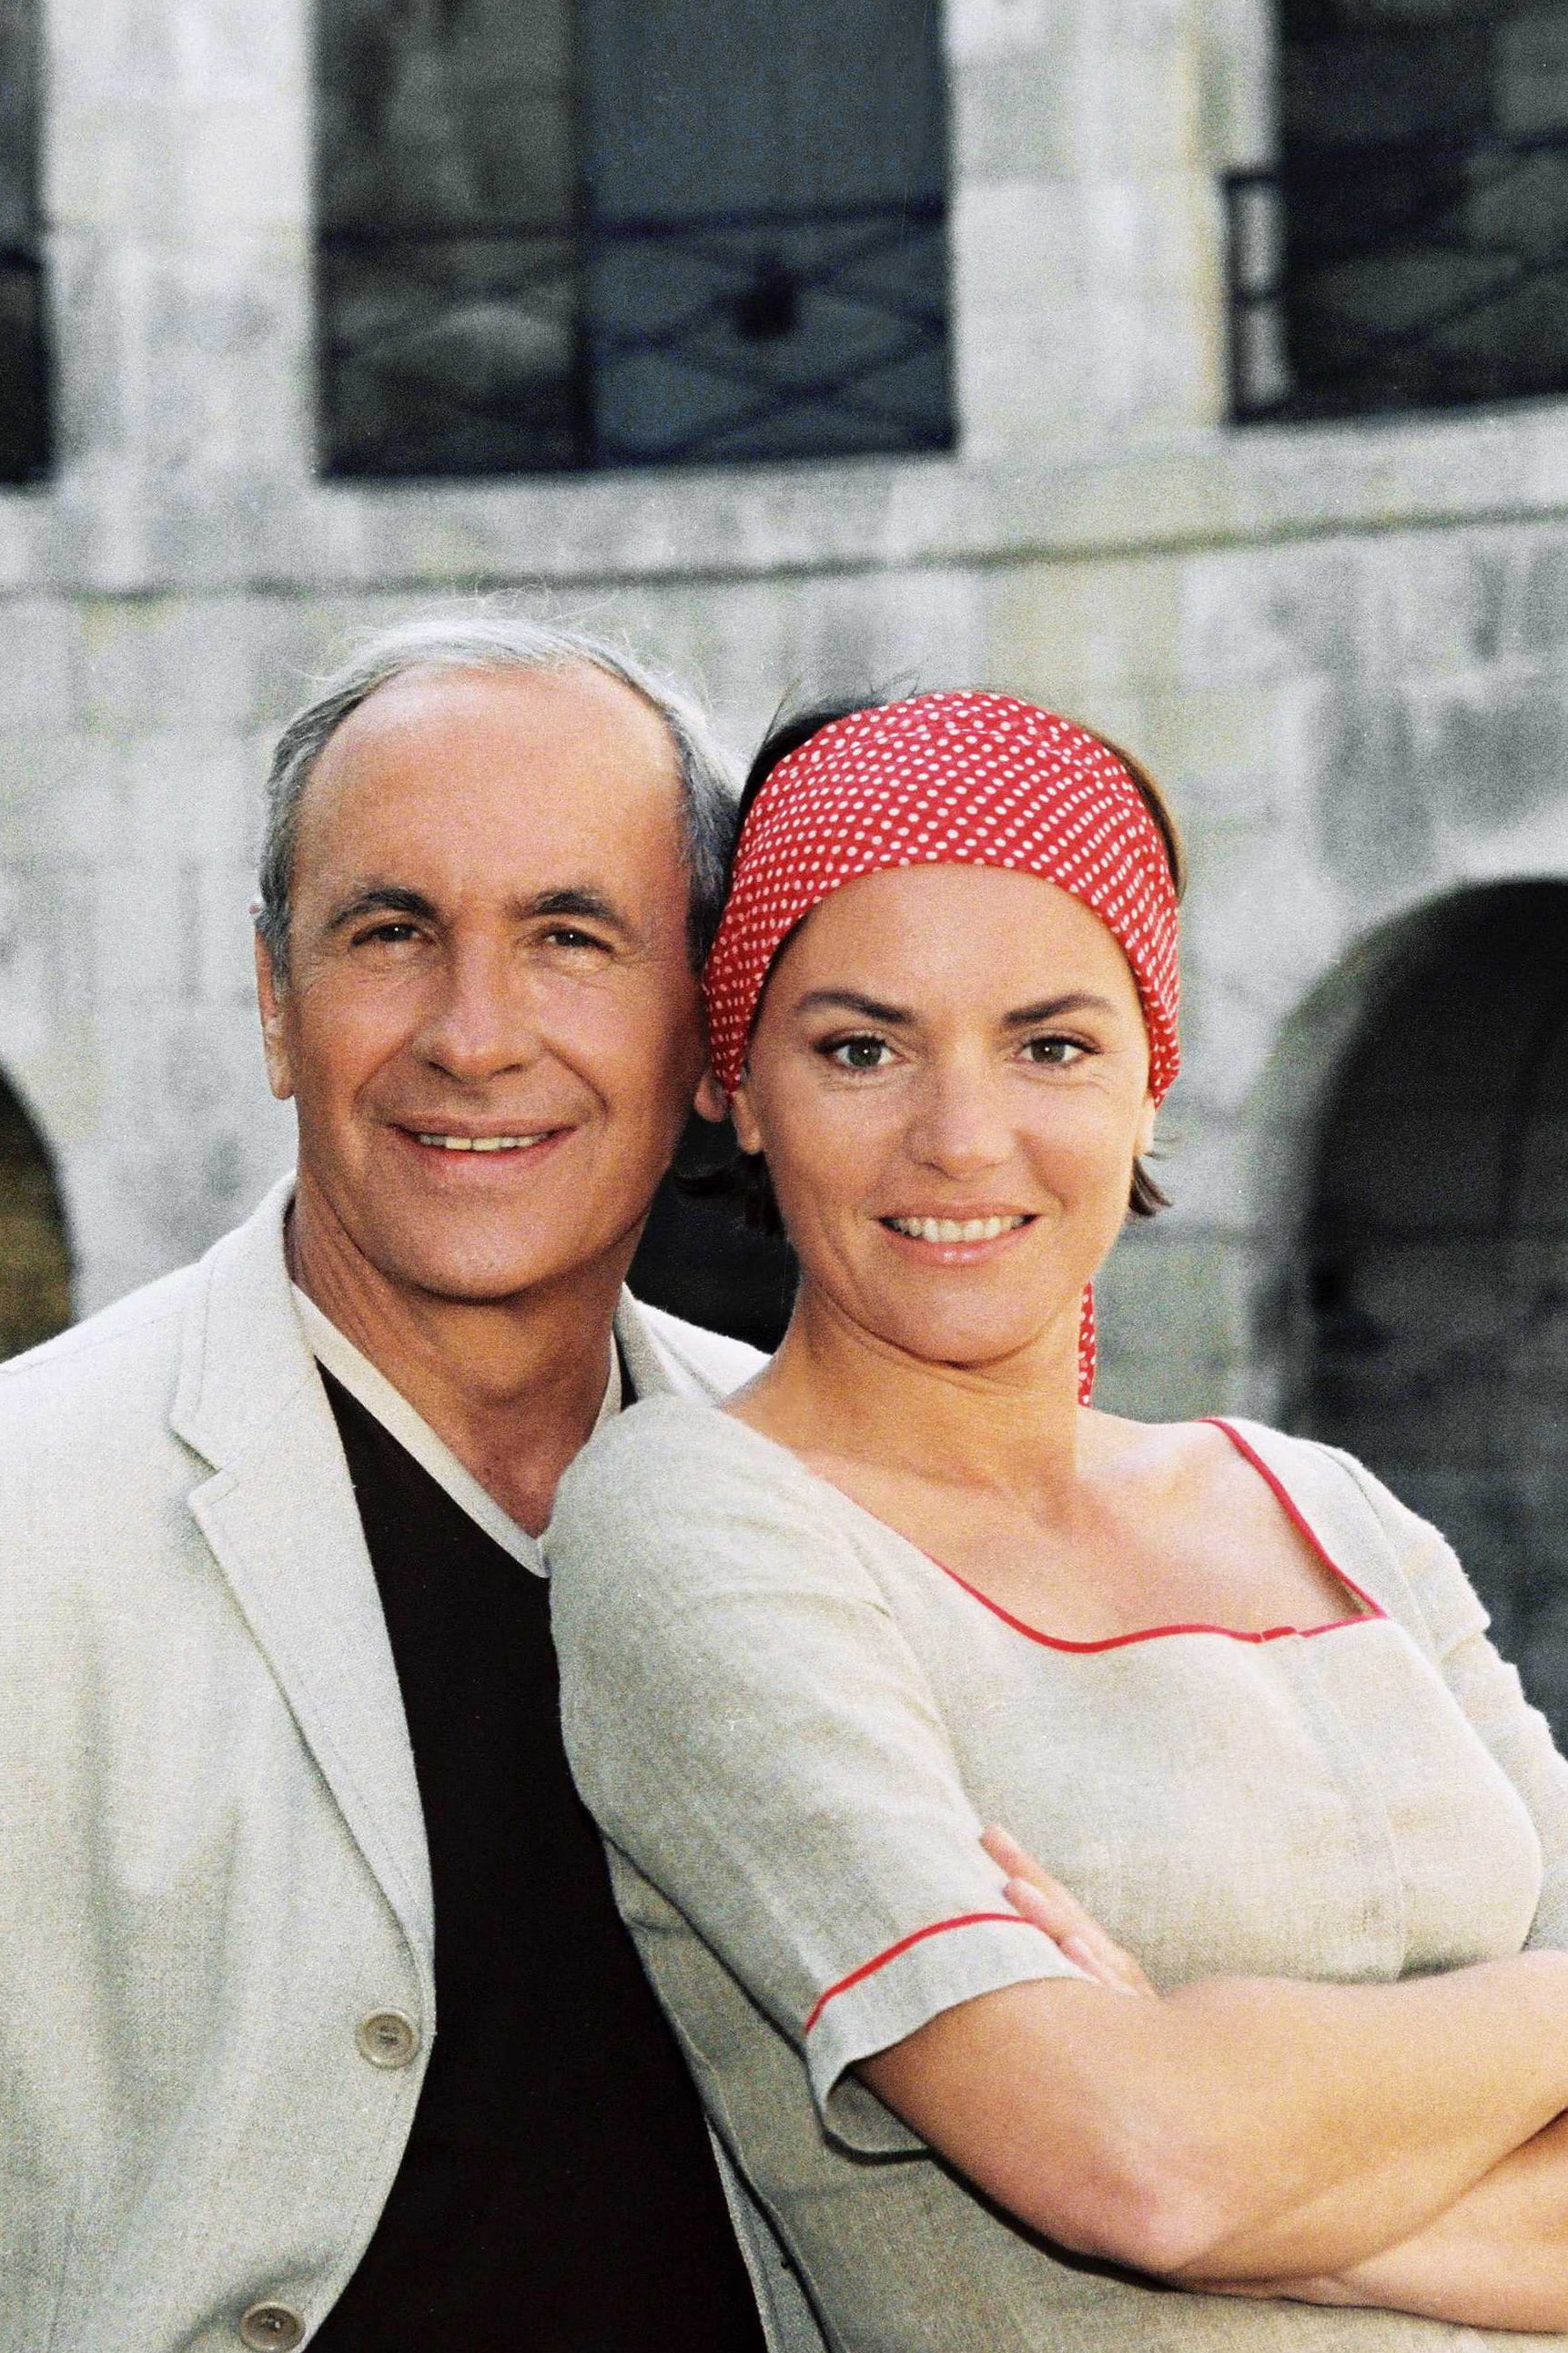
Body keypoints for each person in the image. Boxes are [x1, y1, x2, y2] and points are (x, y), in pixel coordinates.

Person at [549, 689, 1568, 2349]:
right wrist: (1209, 2152)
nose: (962, 1138)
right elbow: (1139, 2164)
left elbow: (1182, 2165)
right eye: (862, 1048)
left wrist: (1252, 2159)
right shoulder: (698, 1522)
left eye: (1053, 1045)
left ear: (1153, 1079)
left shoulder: (1332, 1510)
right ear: (738, 1082)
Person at [0, 615, 827, 2353]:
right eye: (391, 933)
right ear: (274, 1001)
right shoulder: (27, 1515)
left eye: (570, 936)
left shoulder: (822, 1497)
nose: (474, 1034)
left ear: (708, 1025)